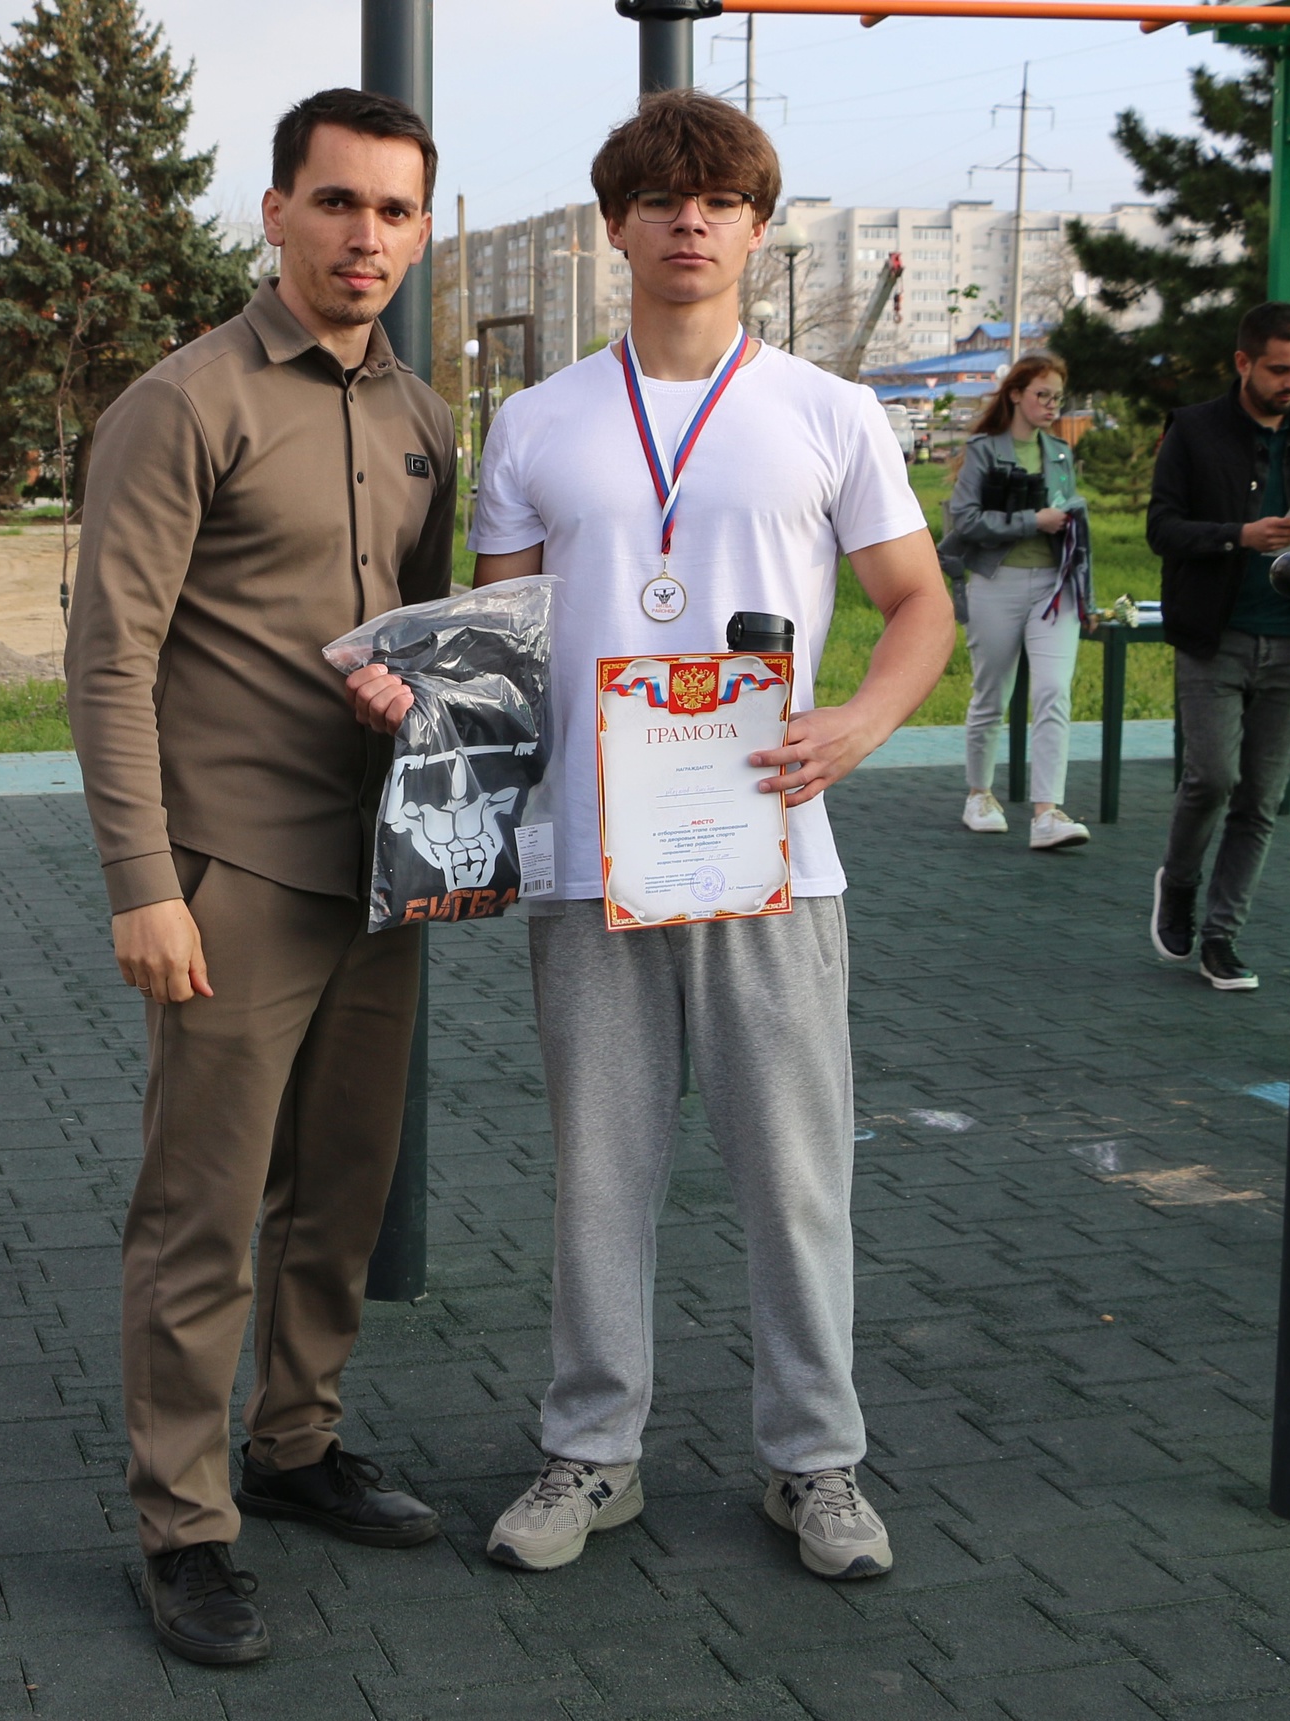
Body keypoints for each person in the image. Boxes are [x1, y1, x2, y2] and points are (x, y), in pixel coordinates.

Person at [349, 91, 953, 1583]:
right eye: (663, 200)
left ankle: (815, 1464)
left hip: (771, 853)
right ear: (614, 226)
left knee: (793, 1176)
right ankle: (591, 1453)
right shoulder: (541, 421)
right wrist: (425, 710)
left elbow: (919, 607)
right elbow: (502, 643)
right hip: (592, 856)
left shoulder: (828, 412)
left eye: (721, 201)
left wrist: (859, 723)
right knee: (600, 1177)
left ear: (756, 228)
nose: (693, 221)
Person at [63, 88, 456, 1667]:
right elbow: (109, 659)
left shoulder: (426, 418)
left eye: (396, 210)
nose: (368, 236)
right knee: (202, 1213)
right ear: (278, 211)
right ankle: (184, 1524)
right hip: (231, 872)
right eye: (338, 202)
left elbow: (433, 648)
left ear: (420, 231)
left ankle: (296, 1444)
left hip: (379, 868)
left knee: (341, 1186)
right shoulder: (184, 403)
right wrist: (143, 881)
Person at [1144, 300, 1290, 992]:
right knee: (1212, 777)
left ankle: (1222, 937)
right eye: (1278, 369)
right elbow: (1161, 528)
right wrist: (1238, 536)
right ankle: (1179, 883)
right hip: (1213, 635)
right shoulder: (1193, 429)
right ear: (1243, 362)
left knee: (1262, 799)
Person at [940, 352, 1092, 850]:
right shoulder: (984, 450)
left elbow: (1070, 519)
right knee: (991, 693)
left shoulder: (1060, 453)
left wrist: (1071, 532)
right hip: (996, 581)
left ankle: (1048, 812)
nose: (1051, 405)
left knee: (1054, 692)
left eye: (1057, 397)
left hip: (1055, 585)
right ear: (1015, 395)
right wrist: (1033, 521)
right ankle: (979, 795)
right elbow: (965, 519)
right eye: (1042, 395)